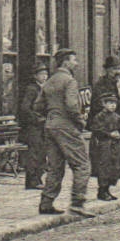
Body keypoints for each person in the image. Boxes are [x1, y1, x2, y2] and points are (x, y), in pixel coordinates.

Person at [39, 48, 92, 216]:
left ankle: (46, 203)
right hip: (66, 126)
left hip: (50, 125)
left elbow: (38, 105)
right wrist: (80, 120)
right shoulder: (69, 81)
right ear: (66, 62)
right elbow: (71, 105)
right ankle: (78, 202)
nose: (76, 64)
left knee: (55, 166)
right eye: (74, 60)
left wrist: (52, 114)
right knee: (82, 164)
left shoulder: (49, 81)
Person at [16, 65, 49, 190]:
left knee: (42, 152)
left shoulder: (45, 88)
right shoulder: (32, 89)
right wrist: (37, 118)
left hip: (42, 125)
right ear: (35, 76)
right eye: (41, 74)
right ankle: (32, 180)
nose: (44, 76)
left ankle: (38, 178)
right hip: (32, 127)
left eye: (46, 74)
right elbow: (25, 108)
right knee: (34, 153)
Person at [89, 92, 120, 201]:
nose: (112, 105)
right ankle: (102, 190)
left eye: (114, 103)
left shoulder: (118, 117)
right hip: (103, 145)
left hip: (115, 146)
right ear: (104, 104)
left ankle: (108, 189)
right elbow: (96, 130)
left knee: (113, 167)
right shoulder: (99, 117)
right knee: (104, 167)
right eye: (109, 103)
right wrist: (109, 134)